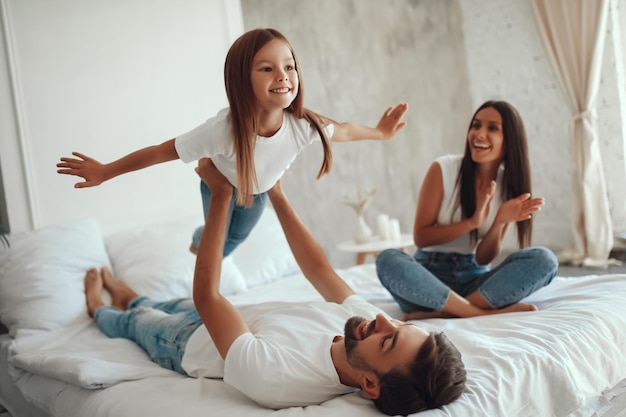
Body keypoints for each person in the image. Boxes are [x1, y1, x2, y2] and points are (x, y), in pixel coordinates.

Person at [83, 158, 466, 416]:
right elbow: (318, 268)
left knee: (133, 322)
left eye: (388, 341)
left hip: (186, 344)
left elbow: (209, 297)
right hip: (234, 316)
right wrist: (279, 193)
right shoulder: (363, 329)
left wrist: (221, 196)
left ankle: (100, 308)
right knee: (158, 302)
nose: (384, 320)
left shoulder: (278, 379)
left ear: (369, 384)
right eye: (399, 326)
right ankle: (126, 292)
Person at [57, 28, 408, 257]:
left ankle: (202, 237)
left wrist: (380, 133)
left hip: (257, 192)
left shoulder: (303, 125)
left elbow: (344, 130)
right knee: (215, 244)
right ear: (242, 79)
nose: (282, 76)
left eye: (289, 66)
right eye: (266, 68)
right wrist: (106, 171)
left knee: (234, 242)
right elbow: (162, 151)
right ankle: (201, 237)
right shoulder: (222, 130)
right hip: (222, 183)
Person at [376, 100, 558, 320]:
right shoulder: (443, 169)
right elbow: (421, 237)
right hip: (427, 280)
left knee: (545, 259)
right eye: (476, 125)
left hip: (474, 281)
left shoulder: (507, 187)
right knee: (388, 259)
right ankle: (475, 312)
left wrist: (499, 222)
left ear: (509, 141)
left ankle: (446, 313)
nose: (479, 134)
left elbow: (483, 258)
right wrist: (473, 222)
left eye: (492, 128)